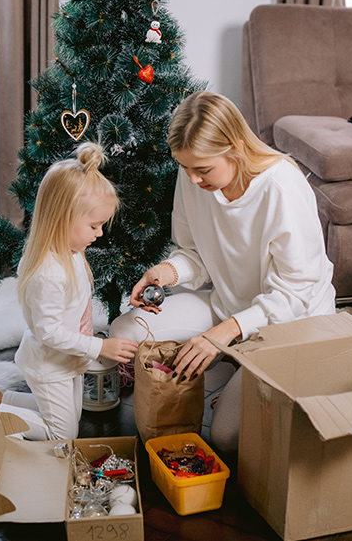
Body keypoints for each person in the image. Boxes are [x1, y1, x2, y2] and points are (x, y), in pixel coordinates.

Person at [108, 91, 335, 452]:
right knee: (125, 331)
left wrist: (222, 334)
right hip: (229, 304)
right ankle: (229, 365)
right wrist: (165, 272)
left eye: (203, 170)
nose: (194, 180)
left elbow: (295, 292)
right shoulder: (194, 176)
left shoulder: (281, 188)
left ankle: (231, 366)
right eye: (185, 168)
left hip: (290, 324)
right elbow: (194, 252)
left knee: (226, 438)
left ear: (237, 148)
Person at [0, 142, 138, 438]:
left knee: (72, 415)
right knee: (62, 434)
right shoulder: (49, 273)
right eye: (95, 225)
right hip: (49, 364)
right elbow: (49, 332)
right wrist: (100, 346)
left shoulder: (71, 252)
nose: (100, 233)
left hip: (67, 359)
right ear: (62, 219)